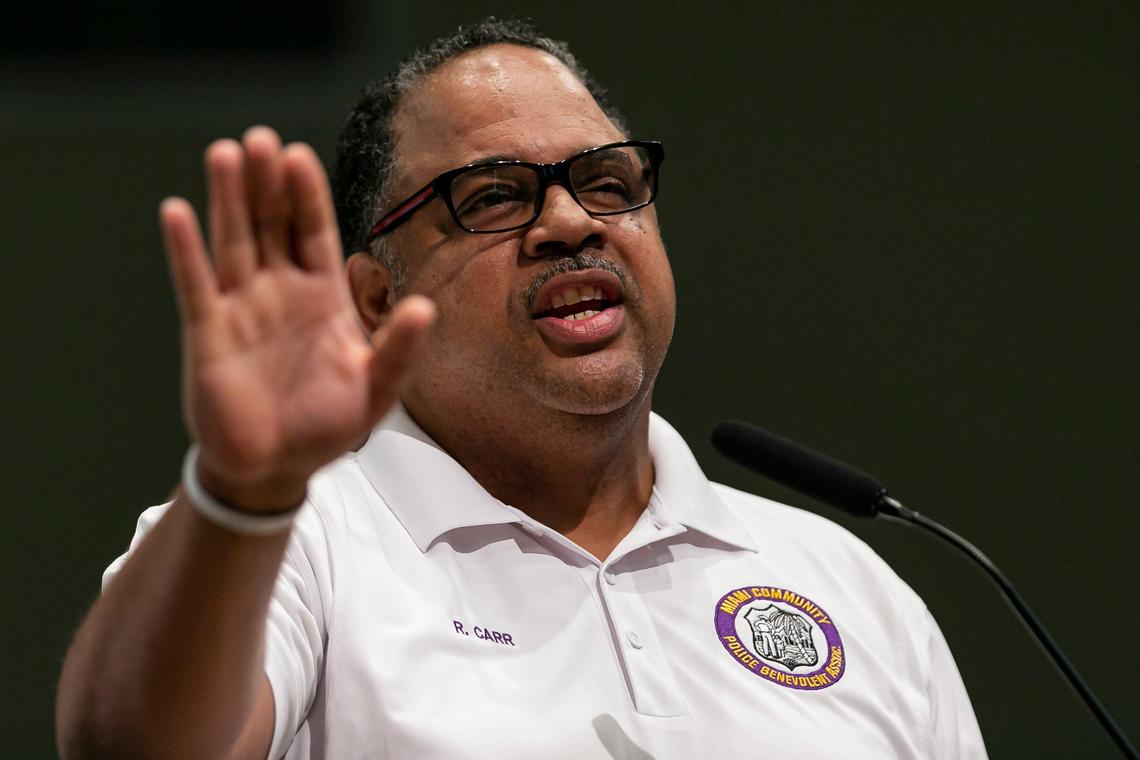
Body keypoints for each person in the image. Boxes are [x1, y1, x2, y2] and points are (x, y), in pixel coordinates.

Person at [55, 18, 987, 760]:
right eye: (495, 196)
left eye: (606, 180)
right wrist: (242, 491)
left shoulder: (847, 584)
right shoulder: (290, 545)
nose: (571, 220)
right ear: (376, 300)